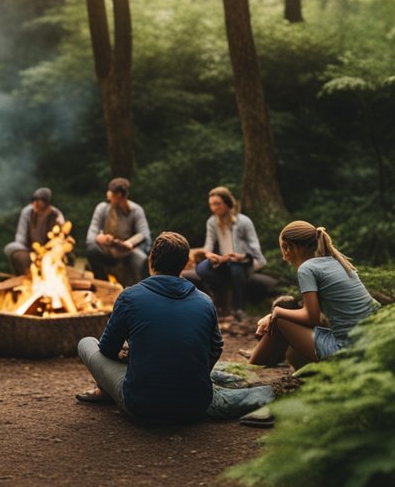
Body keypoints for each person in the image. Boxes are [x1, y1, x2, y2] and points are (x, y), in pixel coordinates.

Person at [75, 232, 223, 424]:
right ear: (185, 263)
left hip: (142, 405)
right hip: (196, 405)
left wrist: (129, 354)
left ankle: (107, 390)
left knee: (86, 343)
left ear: (150, 259)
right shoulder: (205, 301)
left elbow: (107, 349)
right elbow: (216, 348)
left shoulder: (129, 297)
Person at [248, 221, 379, 369]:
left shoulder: (307, 268)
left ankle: (251, 366)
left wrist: (275, 313)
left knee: (280, 320)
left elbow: (312, 317)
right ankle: (263, 357)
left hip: (346, 348)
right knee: (283, 316)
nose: (284, 256)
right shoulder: (336, 262)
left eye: (283, 249)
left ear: (288, 247)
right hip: (369, 340)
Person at [193, 186, 267, 320]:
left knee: (235, 268)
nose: (213, 208)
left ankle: (238, 309)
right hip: (223, 263)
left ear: (227, 203)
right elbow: (208, 245)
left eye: (217, 204)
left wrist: (242, 256)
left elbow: (255, 248)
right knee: (201, 268)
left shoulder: (244, 221)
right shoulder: (212, 222)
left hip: (242, 262)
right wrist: (209, 255)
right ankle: (218, 301)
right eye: (211, 204)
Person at [85, 177, 151, 286]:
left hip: (128, 251)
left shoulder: (136, 210)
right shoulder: (102, 208)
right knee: (92, 251)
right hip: (108, 249)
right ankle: (104, 284)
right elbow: (91, 235)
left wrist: (129, 243)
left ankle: (141, 291)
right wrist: (100, 239)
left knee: (142, 261)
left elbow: (144, 233)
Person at [4, 187, 66, 275]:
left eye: (39, 201)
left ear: (46, 203)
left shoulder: (56, 216)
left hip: (50, 254)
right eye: (34, 200)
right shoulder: (27, 212)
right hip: (30, 251)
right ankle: (25, 279)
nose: (35, 204)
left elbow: (61, 241)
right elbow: (20, 238)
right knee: (15, 252)